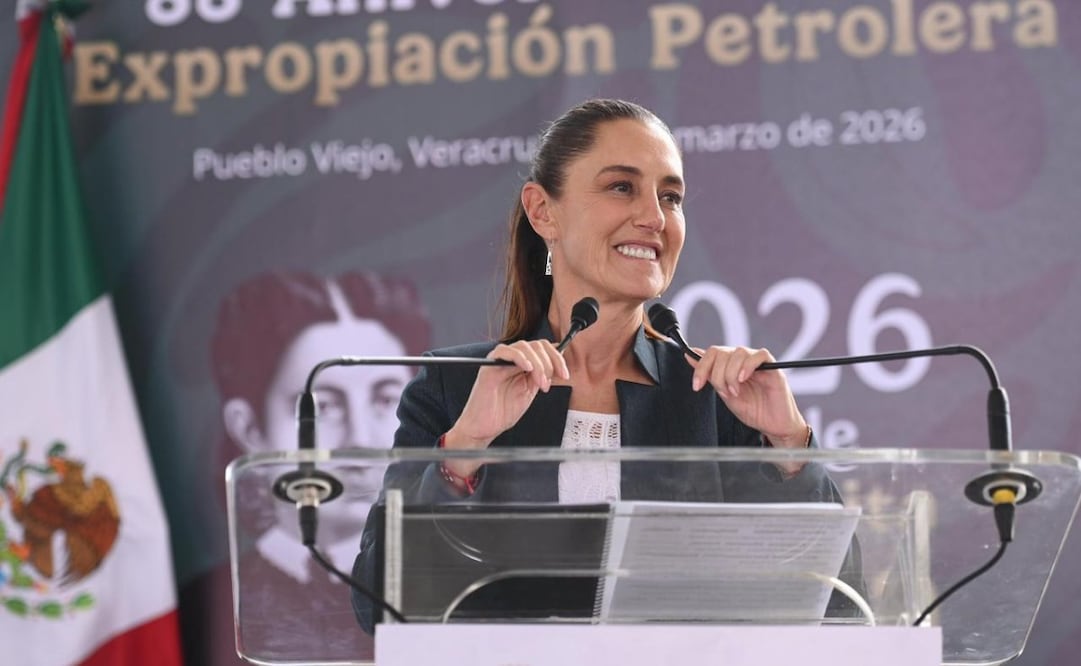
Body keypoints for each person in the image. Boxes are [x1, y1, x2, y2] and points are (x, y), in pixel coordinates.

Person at [351, 99, 859, 631]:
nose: (655, 218)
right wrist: (462, 454)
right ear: (543, 211)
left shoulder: (716, 398)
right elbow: (376, 608)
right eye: (622, 187)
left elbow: (840, 609)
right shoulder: (456, 387)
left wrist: (790, 448)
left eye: (671, 197)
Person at [189, 270, 429, 664]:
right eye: (323, 406)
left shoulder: (453, 587)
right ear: (248, 427)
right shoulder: (202, 606)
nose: (361, 437)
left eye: (385, 401)